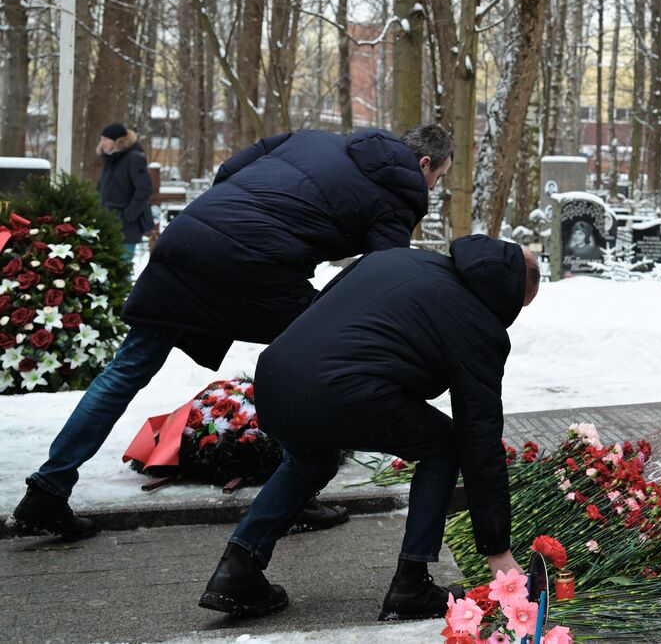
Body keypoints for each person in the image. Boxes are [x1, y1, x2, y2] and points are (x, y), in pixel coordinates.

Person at [11, 124, 453, 541]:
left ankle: (47, 489)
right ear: (424, 164)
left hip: (191, 237)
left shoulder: (312, 139)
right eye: (438, 178)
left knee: (126, 369)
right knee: (311, 360)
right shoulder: (400, 192)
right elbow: (384, 275)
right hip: (253, 265)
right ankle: (294, 494)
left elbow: (230, 169)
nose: (433, 189)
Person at [199, 235, 541, 621]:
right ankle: (411, 583)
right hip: (342, 387)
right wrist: (496, 547)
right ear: (509, 295)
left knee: (310, 461)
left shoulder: (396, 258)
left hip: (276, 376)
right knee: (445, 446)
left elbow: (323, 307)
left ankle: (237, 567)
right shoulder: (479, 325)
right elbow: (478, 436)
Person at [96, 123, 154, 262]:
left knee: (122, 268)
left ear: (117, 141)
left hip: (126, 226)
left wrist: (127, 216)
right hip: (108, 222)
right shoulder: (110, 160)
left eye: (105, 140)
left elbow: (144, 189)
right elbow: (102, 189)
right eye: (101, 139)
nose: (102, 143)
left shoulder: (134, 158)